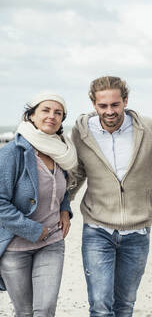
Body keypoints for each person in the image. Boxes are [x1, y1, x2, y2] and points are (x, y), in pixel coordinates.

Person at [69, 76, 152, 316]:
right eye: (103, 106)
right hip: (97, 229)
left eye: (115, 105)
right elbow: (78, 173)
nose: (109, 111)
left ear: (125, 101)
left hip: (138, 231)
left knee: (125, 306)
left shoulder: (150, 129)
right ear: (94, 104)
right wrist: (61, 205)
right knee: (100, 305)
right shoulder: (81, 133)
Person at [0, 93, 76, 316]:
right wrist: (32, 230)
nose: (52, 116)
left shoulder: (61, 152)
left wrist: (65, 209)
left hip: (52, 242)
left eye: (58, 112)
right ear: (31, 115)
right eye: (45, 110)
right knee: (24, 312)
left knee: (45, 310)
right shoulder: (12, 153)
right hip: (15, 248)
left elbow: (61, 189)